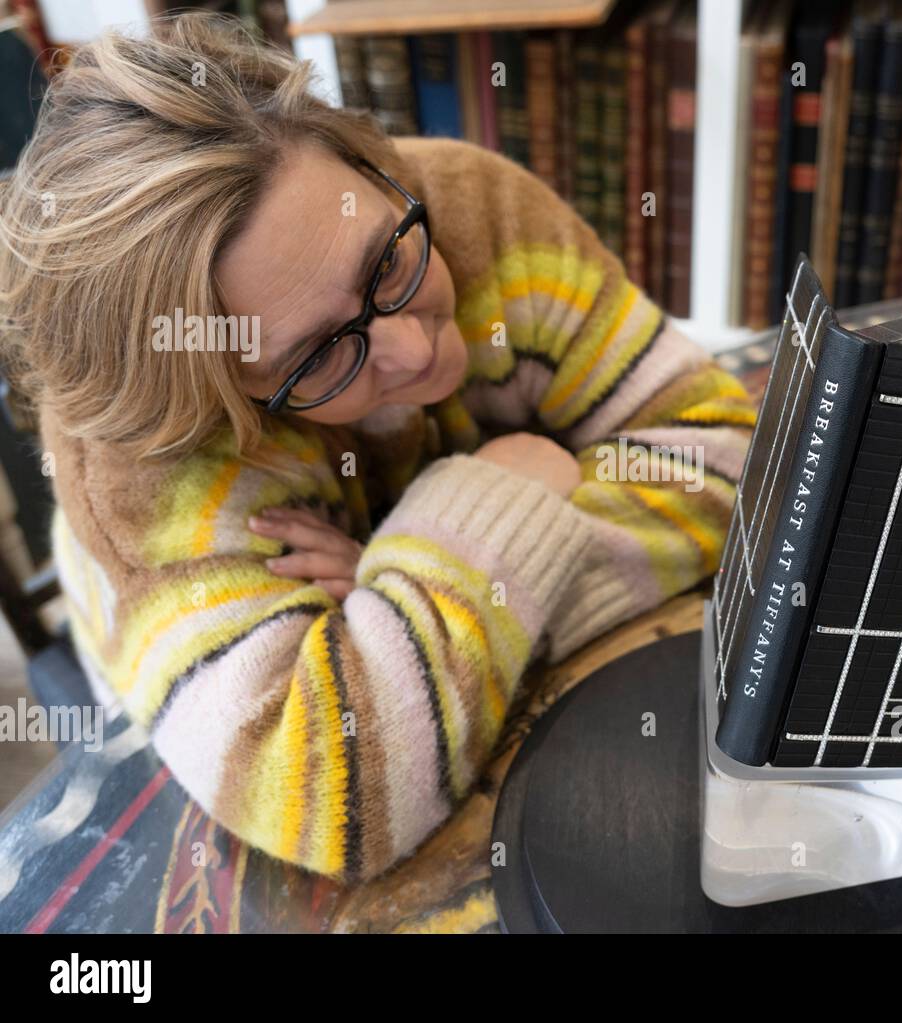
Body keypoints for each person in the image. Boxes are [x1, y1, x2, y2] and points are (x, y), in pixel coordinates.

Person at [0, 13, 756, 882]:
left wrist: (407, 582)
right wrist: (501, 503)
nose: (413, 348)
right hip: (155, 720)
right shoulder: (144, 453)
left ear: (368, 164)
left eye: (386, 265)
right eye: (318, 355)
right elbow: (331, 797)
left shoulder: (473, 208)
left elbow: (726, 458)